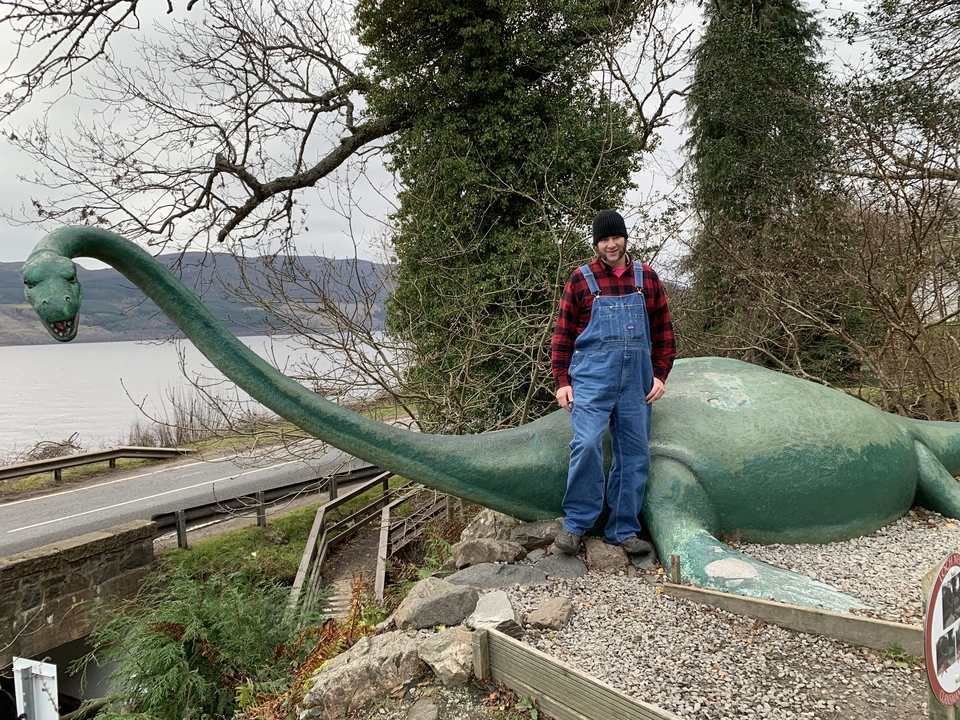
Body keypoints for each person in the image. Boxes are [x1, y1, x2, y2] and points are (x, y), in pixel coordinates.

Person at [550, 210, 675, 555]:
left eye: (615, 237)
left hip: (637, 382)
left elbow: (664, 331)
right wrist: (562, 380)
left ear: (624, 238)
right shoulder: (581, 279)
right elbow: (562, 335)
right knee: (587, 443)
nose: (610, 245)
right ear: (596, 243)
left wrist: (660, 374)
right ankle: (576, 524)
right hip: (591, 379)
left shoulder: (647, 278)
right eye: (603, 239)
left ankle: (623, 529)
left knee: (634, 453)